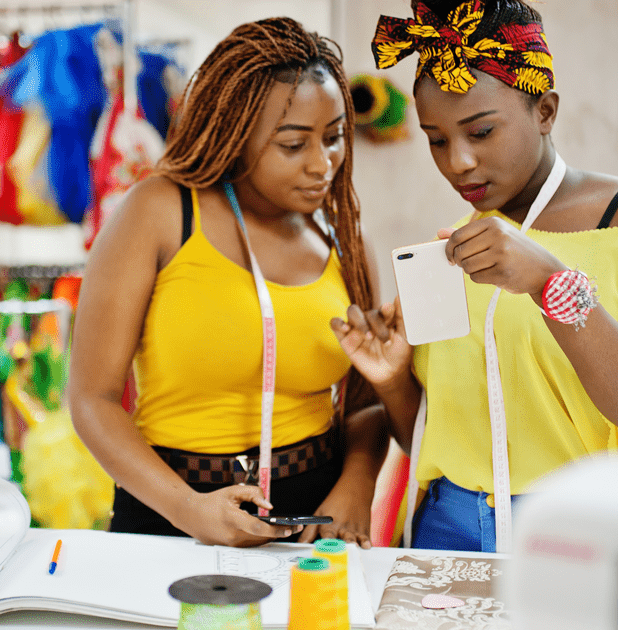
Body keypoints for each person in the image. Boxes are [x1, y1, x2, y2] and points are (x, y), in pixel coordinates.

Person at [331, 0, 618, 552]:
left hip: (583, 534)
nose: (459, 162)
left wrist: (550, 283)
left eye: (481, 131)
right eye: (437, 139)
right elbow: (429, 437)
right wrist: (394, 378)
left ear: (545, 111)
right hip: (447, 528)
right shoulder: (453, 250)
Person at [68, 17, 390, 548]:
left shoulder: (343, 236)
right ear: (236, 136)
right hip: (171, 508)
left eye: (333, 138)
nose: (322, 164)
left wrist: (357, 484)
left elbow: (365, 401)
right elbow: (92, 400)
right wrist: (187, 510)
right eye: (294, 145)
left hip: (317, 515)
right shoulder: (160, 213)